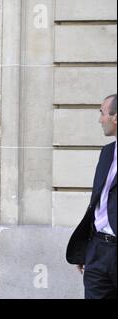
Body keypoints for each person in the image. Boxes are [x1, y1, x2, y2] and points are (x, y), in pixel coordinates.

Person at [66, 94, 117, 299]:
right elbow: (98, 202)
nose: (100, 119)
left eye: (102, 113)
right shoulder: (106, 152)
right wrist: (87, 247)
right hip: (97, 249)